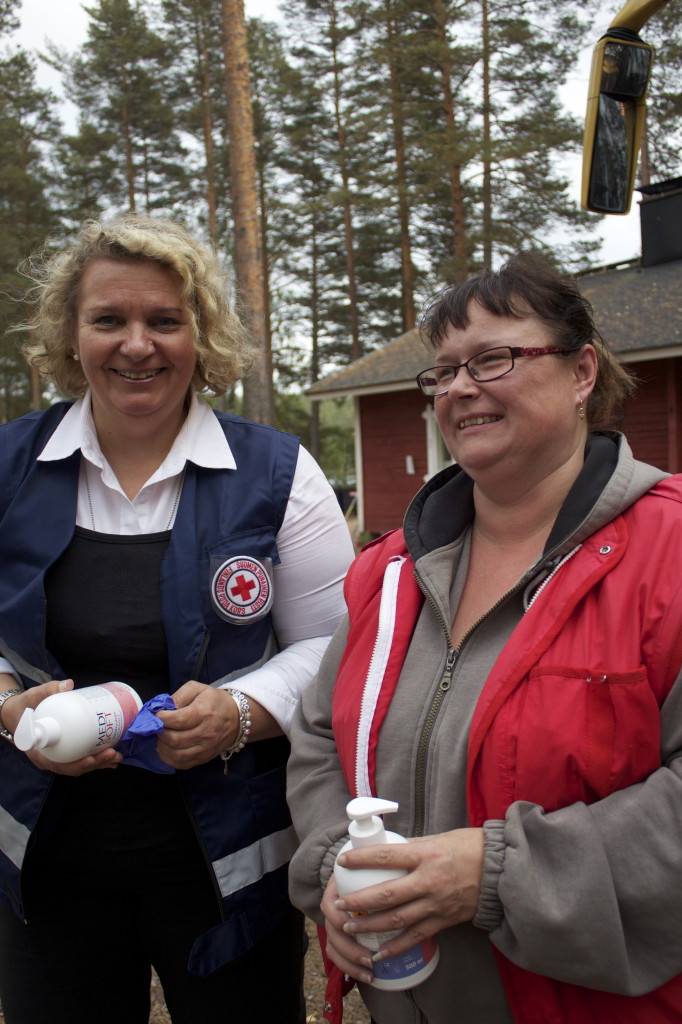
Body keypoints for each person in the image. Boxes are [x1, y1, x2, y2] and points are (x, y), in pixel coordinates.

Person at [286, 254, 682, 1024]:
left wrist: (499, 874)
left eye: (493, 359)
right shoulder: (390, 571)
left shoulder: (671, 552)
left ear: (582, 374)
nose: (460, 388)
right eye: (442, 374)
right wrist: (343, 863)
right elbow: (315, 739)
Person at [0, 213, 355, 1024]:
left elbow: (335, 647)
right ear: (70, 333)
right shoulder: (10, 467)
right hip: (49, 862)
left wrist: (240, 712)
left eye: (165, 320)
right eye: (109, 320)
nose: (137, 345)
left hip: (227, 863)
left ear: (203, 334)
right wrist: (6, 706)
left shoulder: (275, 472)